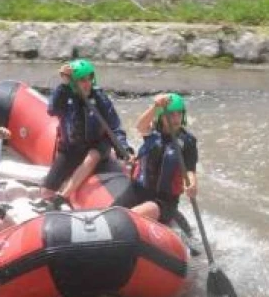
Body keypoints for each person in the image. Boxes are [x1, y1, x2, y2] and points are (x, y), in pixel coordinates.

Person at [39, 56, 130, 209]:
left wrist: (124, 149)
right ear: (74, 82)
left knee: (92, 156)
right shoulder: (65, 95)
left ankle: (63, 196)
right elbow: (51, 109)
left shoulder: (100, 98)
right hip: (71, 149)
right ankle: (58, 197)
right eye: (82, 80)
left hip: (97, 146)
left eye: (89, 79)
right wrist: (64, 85)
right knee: (46, 192)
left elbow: (114, 126)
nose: (87, 84)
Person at [116, 93, 198, 223]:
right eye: (171, 114)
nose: (176, 118)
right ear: (161, 116)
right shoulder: (152, 132)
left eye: (179, 114)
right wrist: (155, 107)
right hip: (138, 191)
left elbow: (190, 169)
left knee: (124, 219)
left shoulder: (187, 142)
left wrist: (192, 183)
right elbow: (140, 126)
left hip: (163, 201)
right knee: (112, 213)